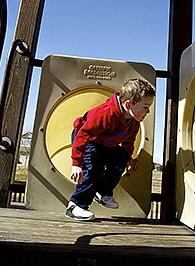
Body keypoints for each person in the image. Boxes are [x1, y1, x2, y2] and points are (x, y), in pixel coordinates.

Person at [65, 78, 156, 221]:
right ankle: (76, 205)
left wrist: (129, 158)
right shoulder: (106, 114)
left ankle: (102, 192)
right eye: (145, 107)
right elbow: (83, 134)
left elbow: (128, 143)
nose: (148, 111)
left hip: (105, 144)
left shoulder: (134, 122)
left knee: (121, 157)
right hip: (87, 140)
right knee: (94, 168)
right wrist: (76, 163)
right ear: (128, 104)